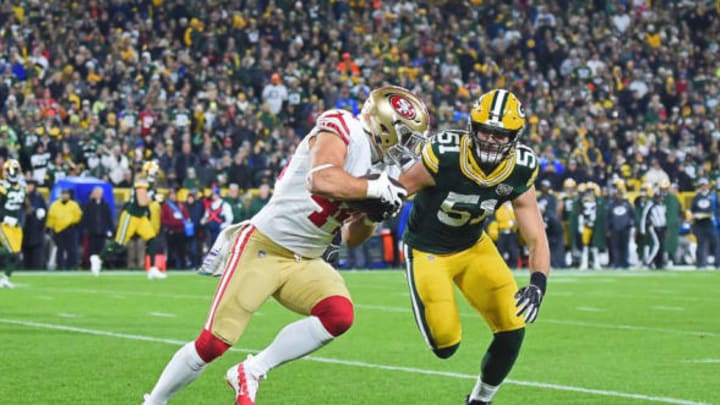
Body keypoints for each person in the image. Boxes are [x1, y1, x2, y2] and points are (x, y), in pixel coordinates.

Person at [142, 85, 429, 405]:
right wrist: (372, 188)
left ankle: (251, 370)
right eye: (405, 136)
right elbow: (320, 179)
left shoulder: (384, 170)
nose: (406, 147)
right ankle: (153, 402)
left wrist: (374, 217)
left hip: (306, 259)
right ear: (385, 126)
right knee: (213, 344)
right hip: (265, 246)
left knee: (338, 315)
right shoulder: (343, 126)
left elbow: (350, 237)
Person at [397, 89, 550, 405]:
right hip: (428, 251)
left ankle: (480, 400)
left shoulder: (521, 167)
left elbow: (536, 236)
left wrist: (538, 283)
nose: (493, 140)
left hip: (473, 246)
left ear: (515, 136)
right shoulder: (445, 153)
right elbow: (396, 190)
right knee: (445, 345)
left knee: (512, 326)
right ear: (472, 127)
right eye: (486, 131)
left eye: (501, 134)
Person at [100, 160, 166, 279]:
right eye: (155, 173)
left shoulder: (149, 184)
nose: (156, 176)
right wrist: (154, 199)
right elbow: (142, 202)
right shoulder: (141, 180)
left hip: (141, 217)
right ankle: (99, 258)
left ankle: (152, 268)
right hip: (131, 216)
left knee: (152, 239)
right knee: (119, 244)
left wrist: (154, 198)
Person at [0, 159, 26, 288]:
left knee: (16, 255)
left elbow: (22, 205)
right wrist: (4, 218)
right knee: (10, 252)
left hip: (16, 225)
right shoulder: (2, 187)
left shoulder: (22, 187)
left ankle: (5, 279)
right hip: (4, 224)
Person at [46, 188, 83, 270]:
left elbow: (78, 216)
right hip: (59, 230)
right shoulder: (55, 205)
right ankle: (60, 266)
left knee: (72, 249)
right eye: (63, 194)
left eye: (66, 194)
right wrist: (49, 227)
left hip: (71, 229)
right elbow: (51, 217)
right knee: (60, 249)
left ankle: (72, 266)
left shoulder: (74, 205)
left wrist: (74, 224)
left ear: (69, 195)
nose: (65, 195)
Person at [82, 186, 114, 275]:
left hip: (102, 232)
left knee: (101, 249)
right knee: (92, 250)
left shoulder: (105, 205)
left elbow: (108, 218)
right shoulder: (88, 205)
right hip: (92, 231)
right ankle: (92, 266)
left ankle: (100, 265)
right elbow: (85, 218)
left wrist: (111, 229)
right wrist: (86, 229)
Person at [22, 179, 48, 270]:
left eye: (31, 185)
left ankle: (37, 268)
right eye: (27, 185)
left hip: (36, 229)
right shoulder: (22, 196)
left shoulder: (38, 197)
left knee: (37, 251)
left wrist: (35, 212)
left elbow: (43, 212)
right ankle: (26, 267)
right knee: (25, 250)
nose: (29, 187)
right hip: (25, 228)